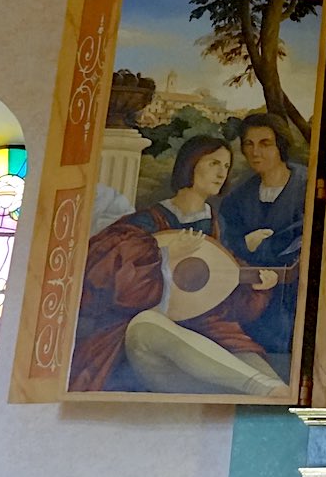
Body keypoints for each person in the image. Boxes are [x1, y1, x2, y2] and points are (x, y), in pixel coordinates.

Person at [69, 135, 288, 397]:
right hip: (151, 351)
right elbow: (102, 274)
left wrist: (256, 286)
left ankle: (263, 389)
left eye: (226, 166)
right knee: (146, 324)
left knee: (276, 390)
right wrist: (162, 253)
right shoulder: (146, 222)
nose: (221, 173)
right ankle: (257, 387)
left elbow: (225, 292)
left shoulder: (218, 227)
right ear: (191, 164)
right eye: (214, 163)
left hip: (212, 338)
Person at [219, 113, 307, 356]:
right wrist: (245, 243)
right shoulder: (236, 199)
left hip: (295, 298)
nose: (255, 152)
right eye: (249, 144)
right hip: (251, 299)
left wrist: (266, 248)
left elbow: (305, 238)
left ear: (280, 146)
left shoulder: (307, 186)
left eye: (265, 144)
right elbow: (227, 246)